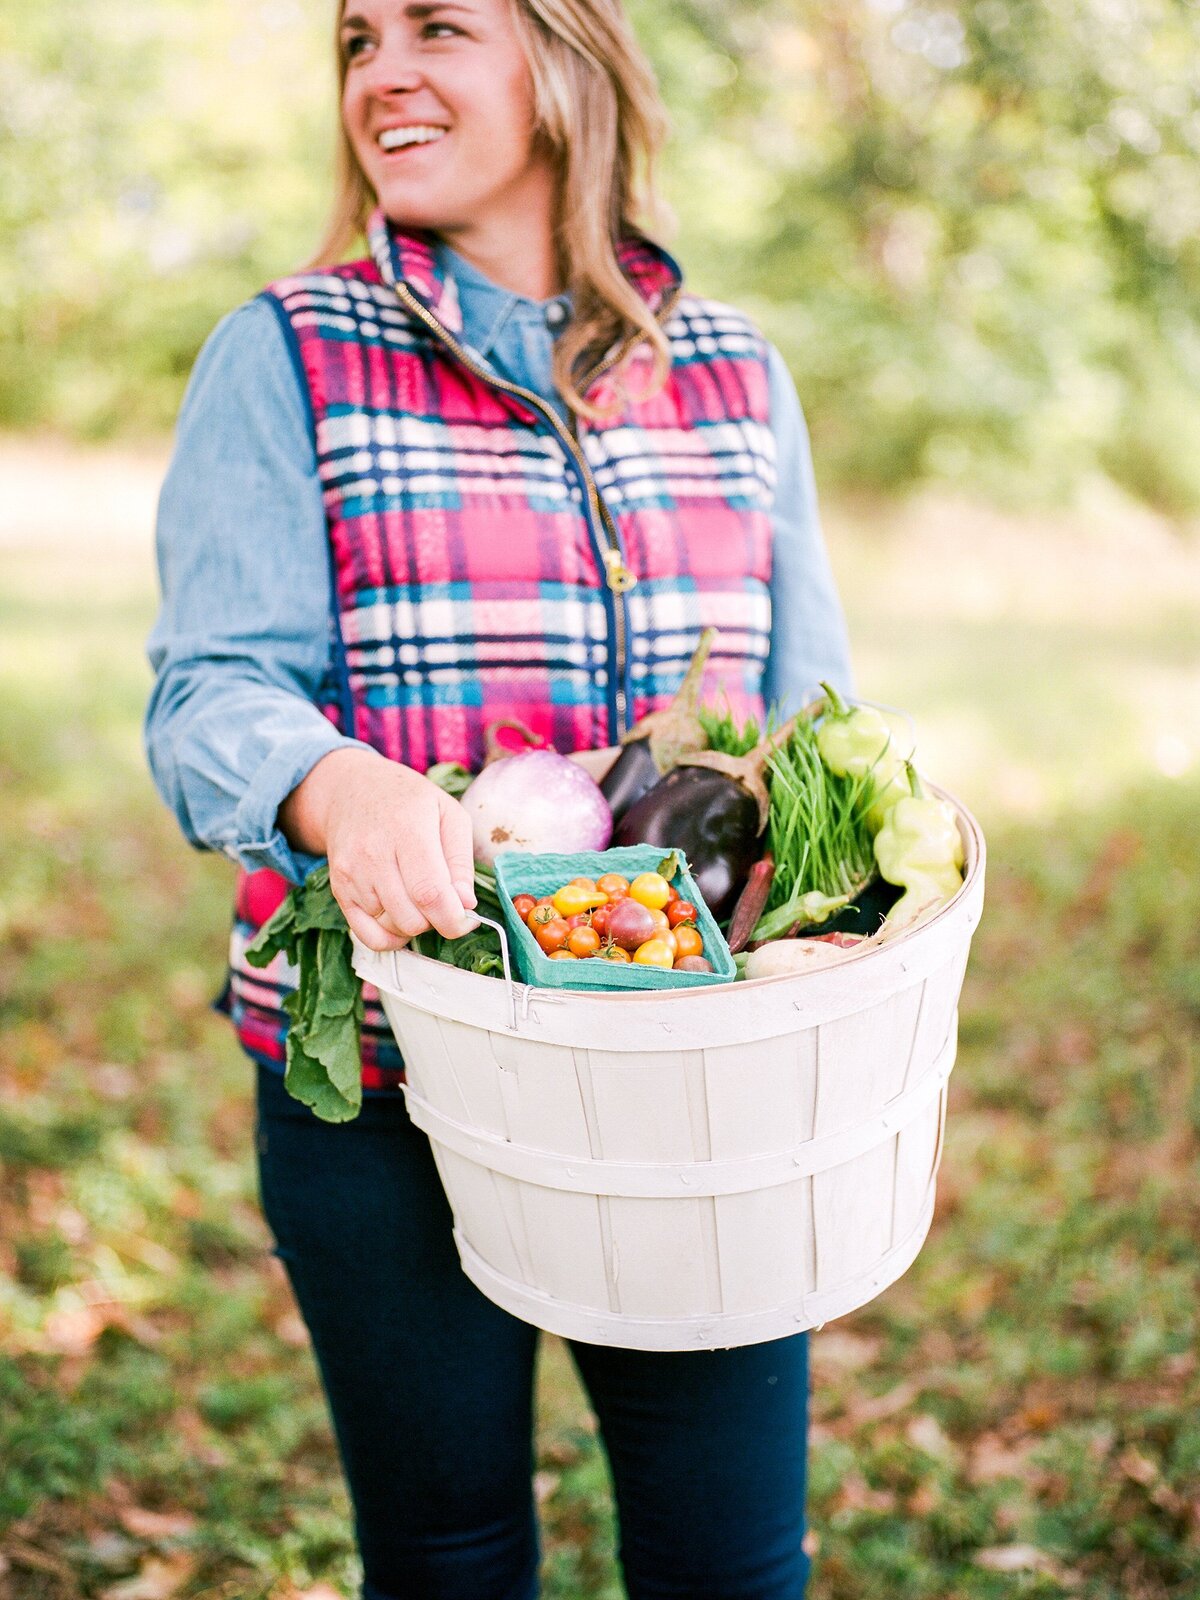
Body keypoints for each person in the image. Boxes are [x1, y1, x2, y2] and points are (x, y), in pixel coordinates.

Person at [145, 0, 854, 1594]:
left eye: (438, 27)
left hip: (690, 1082)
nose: (382, 72)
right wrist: (334, 784)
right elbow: (206, 697)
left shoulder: (734, 375)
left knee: (729, 1566)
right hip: (391, 1080)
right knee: (450, 1558)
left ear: (564, 60)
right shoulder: (287, 353)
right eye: (355, 39)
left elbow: (820, 730)